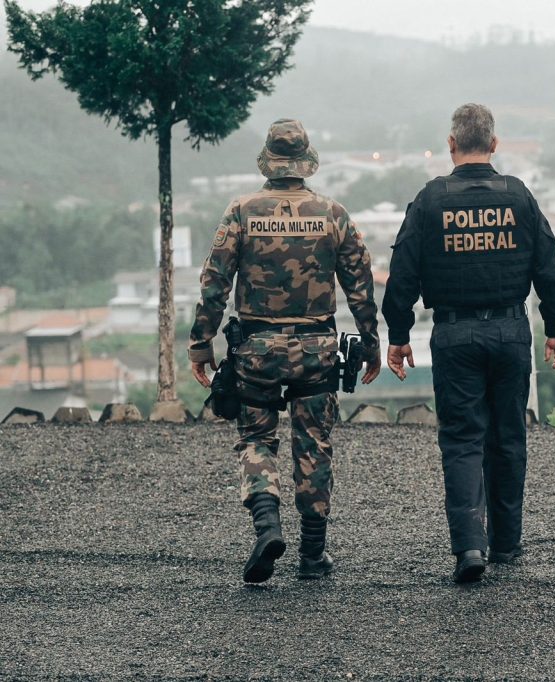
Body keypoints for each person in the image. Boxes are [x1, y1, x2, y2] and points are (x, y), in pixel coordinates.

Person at [382, 103, 555, 583]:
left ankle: (470, 546)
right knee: (508, 438)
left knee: (463, 440)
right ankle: (507, 545)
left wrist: (400, 336)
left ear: (451, 145)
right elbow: (548, 269)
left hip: (454, 334)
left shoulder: (429, 201)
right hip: (511, 333)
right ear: (494, 143)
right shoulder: (520, 197)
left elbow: (402, 274)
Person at [189, 118, 381, 584]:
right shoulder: (333, 214)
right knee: (314, 446)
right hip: (317, 348)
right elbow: (359, 284)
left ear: (269, 161)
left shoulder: (241, 212)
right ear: (305, 163)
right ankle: (313, 557)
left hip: (256, 349)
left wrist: (200, 344)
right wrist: (371, 342)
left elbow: (215, 282)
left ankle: (268, 527)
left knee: (256, 440)